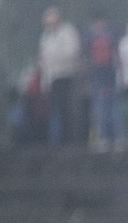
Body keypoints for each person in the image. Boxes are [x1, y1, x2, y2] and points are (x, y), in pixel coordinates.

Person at [37, 7, 82, 145]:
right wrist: (44, 82)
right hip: (52, 79)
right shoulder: (45, 37)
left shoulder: (68, 32)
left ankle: (71, 141)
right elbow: (43, 60)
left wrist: (57, 58)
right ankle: (58, 142)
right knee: (55, 111)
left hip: (66, 75)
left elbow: (72, 52)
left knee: (68, 110)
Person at [85, 16, 119, 150]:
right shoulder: (109, 37)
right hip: (105, 75)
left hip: (103, 76)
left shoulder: (92, 39)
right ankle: (113, 138)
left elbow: (87, 59)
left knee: (104, 107)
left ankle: (108, 138)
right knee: (106, 107)